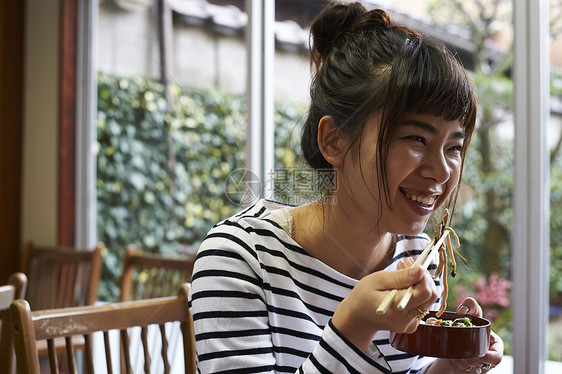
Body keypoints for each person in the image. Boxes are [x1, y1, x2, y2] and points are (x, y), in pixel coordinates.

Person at [188, 2, 504, 373]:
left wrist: (454, 366)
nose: (441, 171)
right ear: (335, 141)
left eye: (454, 147)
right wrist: (355, 326)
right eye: (417, 138)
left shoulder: (416, 253)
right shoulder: (240, 258)